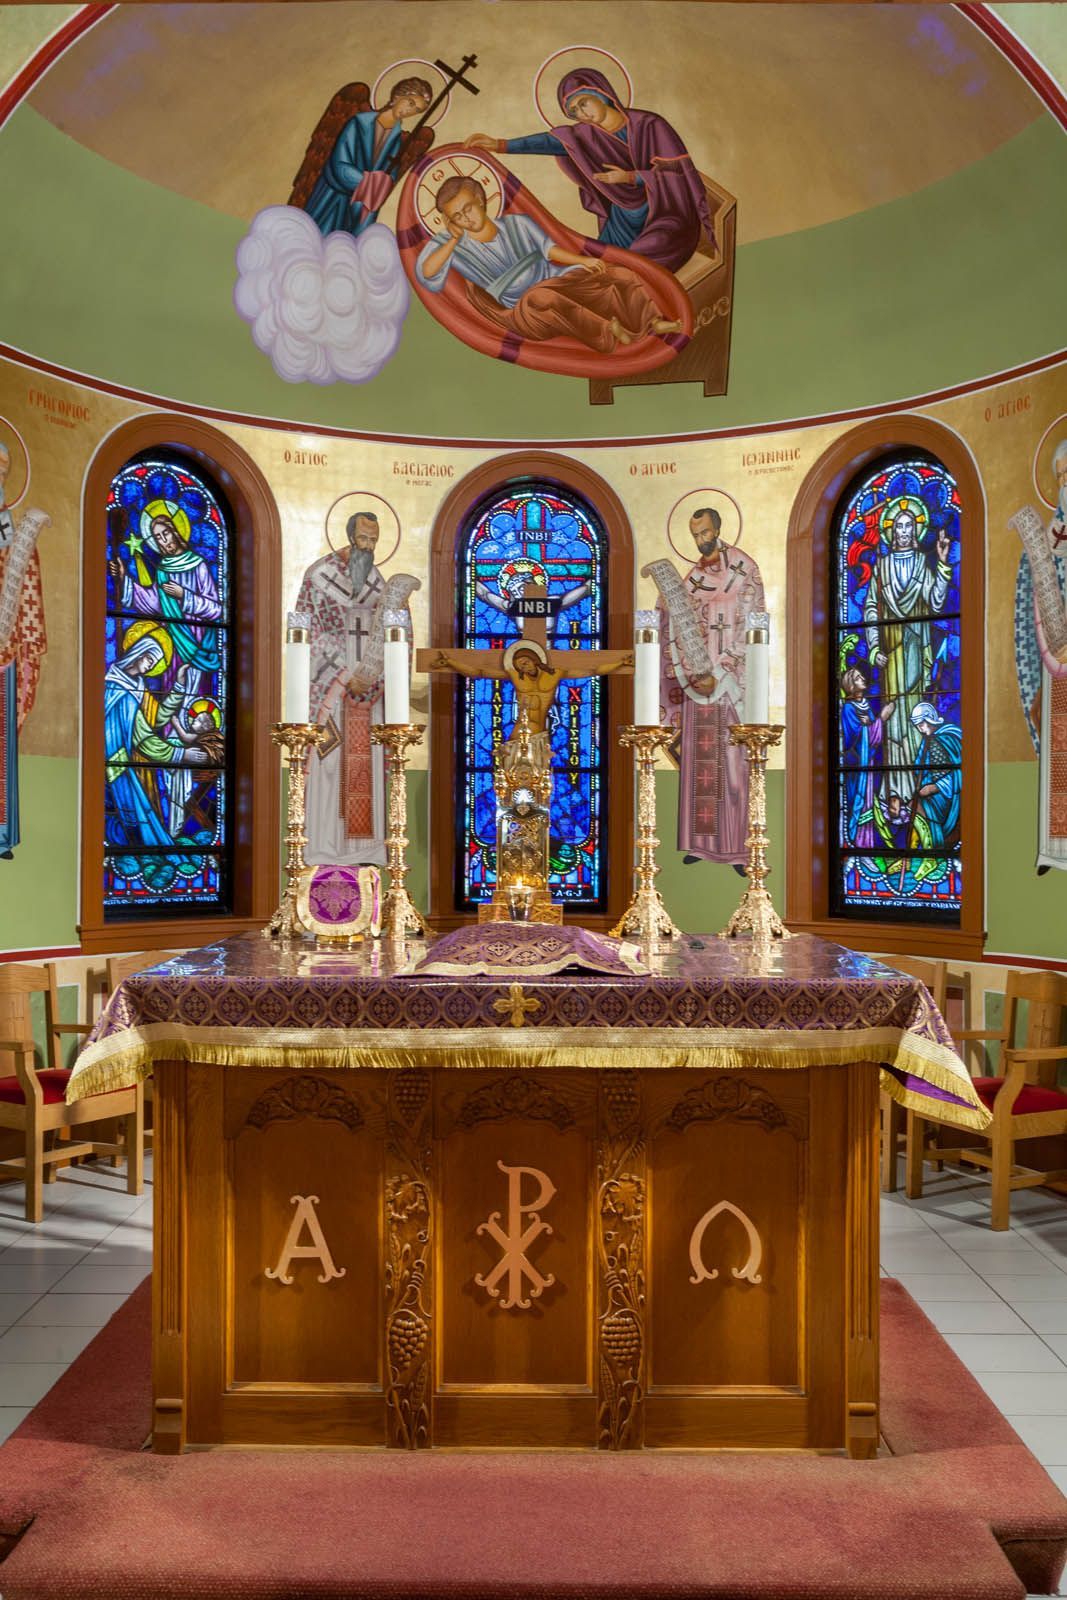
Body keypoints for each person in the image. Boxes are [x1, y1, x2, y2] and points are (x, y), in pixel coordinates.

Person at [467, 67, 714, 272]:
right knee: (596, 265)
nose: (582, 114)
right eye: (574, 111)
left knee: (640, 257)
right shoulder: (584, 135)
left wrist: (630, 177)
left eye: (584, 103)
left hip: (666, 215)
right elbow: (547, 142)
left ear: (602, 93)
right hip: (624, 219)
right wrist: (500, 145)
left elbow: (677, 175)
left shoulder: (650, 125)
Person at [416, 176, 682, 353]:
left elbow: (549, 250)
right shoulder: (451, 245)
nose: (466, 219)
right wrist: (452, 240)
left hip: (558, 280)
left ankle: (652, 321)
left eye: (468, 208)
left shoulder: (517, 224)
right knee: (541, 296)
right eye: (457, 216)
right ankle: (606, 332)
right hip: (524, 310)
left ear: (482, 201)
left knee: (619, 275)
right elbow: (426, 274)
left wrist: (583, 260)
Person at [295, 510, 414, 866]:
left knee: (371, 767)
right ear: (349, 537)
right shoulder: (319, 577)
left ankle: (366, 853)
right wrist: (347, 676)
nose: (369, 546)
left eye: (374, 540)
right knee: (329, 766)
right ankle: (325, 851)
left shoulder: (380, 583)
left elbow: (393, 640)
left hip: (370, 697)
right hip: (331, 695)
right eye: (363, 539)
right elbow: (308, 636)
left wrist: (401, 620)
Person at [655, 508, 764, 867]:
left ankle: (736, 847)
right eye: (694, 535)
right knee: (699, 762)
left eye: (704, 533)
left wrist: (726, 666)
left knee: (732, 762)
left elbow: (755, 626)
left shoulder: (744, 570)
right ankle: (699, 845)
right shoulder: (693, 577)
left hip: (730, 682)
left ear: (718, 529)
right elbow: (677, 618)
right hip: (698, 680)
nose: (700, 541)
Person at [103, 632, 209, 858]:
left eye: (155, 662)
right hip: (120, 765)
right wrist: (182, 755)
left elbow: (157, 717)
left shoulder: (136, 685)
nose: (151, 666)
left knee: (143, 821)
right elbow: (144, 739)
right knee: (133, 823)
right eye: (149, 659)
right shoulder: (117, 688)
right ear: (137, 653)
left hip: (139, 764)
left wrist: (179, 686)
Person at [108, 509, 220, 694]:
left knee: (197, 694)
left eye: (165, 533)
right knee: (174, 688)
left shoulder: (198, 565)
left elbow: (215, 610)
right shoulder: (163, 571)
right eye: (158, 537)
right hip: (174, 643)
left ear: (175, 531)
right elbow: (153, 604)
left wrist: (184, 595)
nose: (163, 540)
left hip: (198, 644)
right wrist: (124, 578)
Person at [303, 77, 433, 238]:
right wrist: (369, 183)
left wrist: (383, 183)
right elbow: (339, 163)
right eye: (410, 102)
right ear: (398, 96)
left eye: (417, 110)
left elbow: (390, 174)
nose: (410, 111)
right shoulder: (358, 123)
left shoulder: (398, 141)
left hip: (358, 206)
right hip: (332, 197)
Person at [0, 446, 47, 858]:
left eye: (3, 469)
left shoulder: (13, 534)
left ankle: (0, 833)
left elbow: (26, 590)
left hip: (5, 655)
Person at [839, 665, 894, 848]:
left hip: (867, 762)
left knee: (869, 802)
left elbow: (871, 737)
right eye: (857, 677)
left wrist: (873, 724)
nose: (862, 678)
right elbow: (854, 738)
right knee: (859, 802)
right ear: (850, 685)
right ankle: (857, 843)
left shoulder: (865, 705)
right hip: (856, 766)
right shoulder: (848, 708)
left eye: (861, 676)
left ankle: (866, 842)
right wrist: (882, 719)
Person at [909, 702, 962, 849]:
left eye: (921, 724)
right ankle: (916, 849)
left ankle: (928, 849)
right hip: (934, 794)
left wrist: (931, 788)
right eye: (917, 725)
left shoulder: (943, 739)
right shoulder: (929, 740)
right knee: (910, 809)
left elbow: (953, 777)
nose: (919, 728)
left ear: (929, 720)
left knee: (916, 808)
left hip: (945, 797)